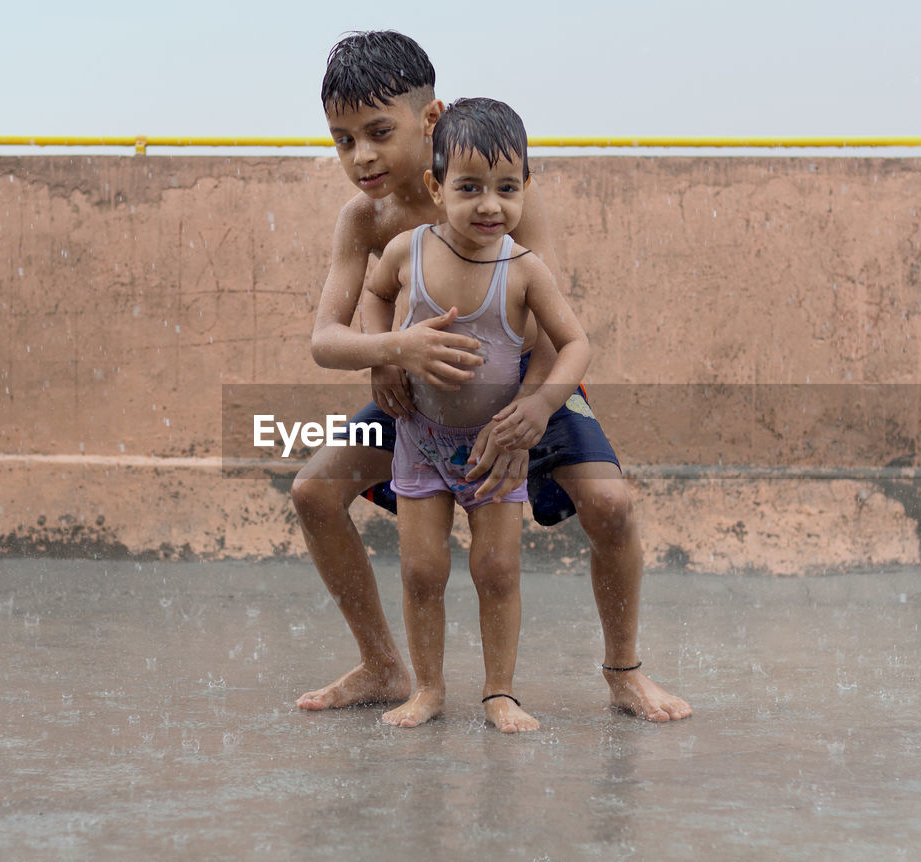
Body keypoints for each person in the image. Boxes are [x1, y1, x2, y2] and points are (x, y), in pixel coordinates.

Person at [292, 30, 691, 722]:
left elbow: (544, 326)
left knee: (612, 507)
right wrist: (388, 352)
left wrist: (532, 413)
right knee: (313, 492)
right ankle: (387, 666)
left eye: (378, 132)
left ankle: (623, 670)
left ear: (431, 117)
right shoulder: (365, 219)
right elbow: (327, 336)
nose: (361, 156)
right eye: (342, 139)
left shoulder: (500, 195)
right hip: (424, 397)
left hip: (525, 383)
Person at [362, 98, 589, 732]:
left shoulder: (523, 270)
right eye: (469, 188)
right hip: (420, 438)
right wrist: (382, 358)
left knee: (496, 568)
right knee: (422, 568)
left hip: (495, 445)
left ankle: (498, 693)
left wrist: (541, 405)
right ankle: (429, 687)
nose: (490, 205)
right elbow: (375, 299)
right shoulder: (408, 251)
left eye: (507, 188)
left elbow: (575, 343)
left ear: (526, 189)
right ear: (436, 188)